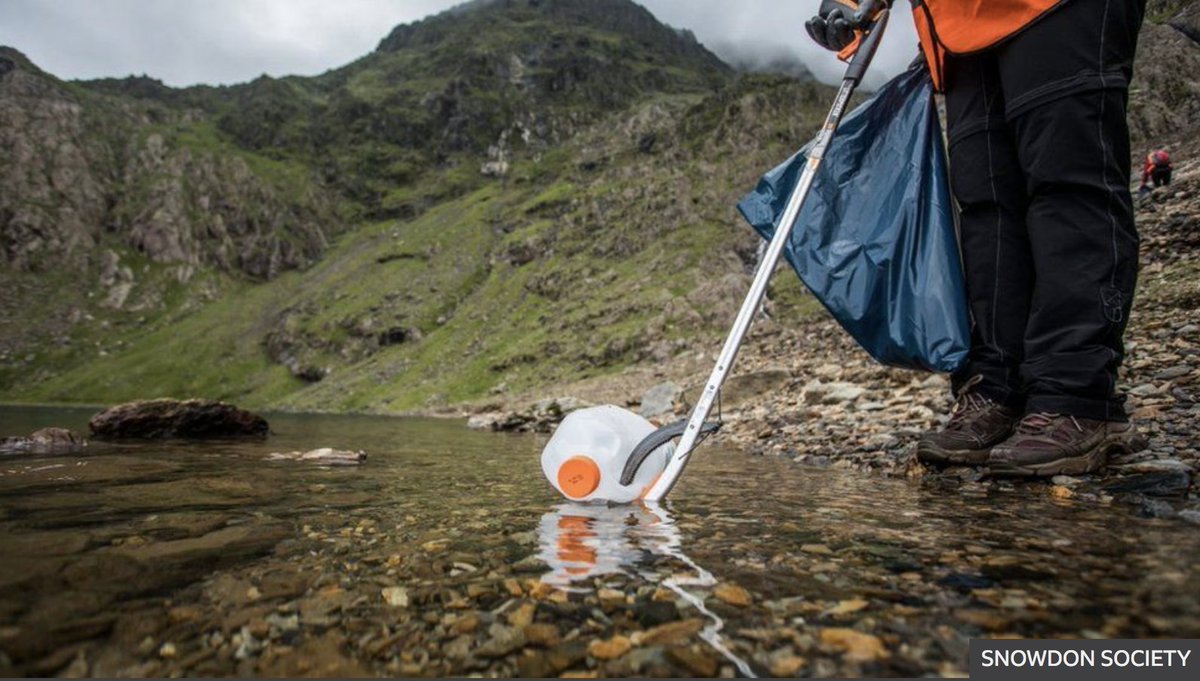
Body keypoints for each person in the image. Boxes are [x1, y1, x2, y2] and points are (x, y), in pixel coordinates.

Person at [806, 0, 1148, 476]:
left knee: (1065, 183)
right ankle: (997, 390)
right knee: (987, 207)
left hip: (1056, 9)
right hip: (957, 28)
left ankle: (1074, 394)